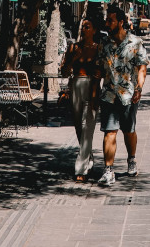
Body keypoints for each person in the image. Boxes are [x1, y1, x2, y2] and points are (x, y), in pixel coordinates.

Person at [97, 5, 149, 186]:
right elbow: (98, 69)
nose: (107, 23)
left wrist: (139, 88)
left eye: (110, 20)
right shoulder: (104, 44)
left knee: (129, 131)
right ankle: (108, 170)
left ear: (120, 22)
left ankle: (131, 159)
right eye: (107, 20)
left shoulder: (135, 42)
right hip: (109, 94)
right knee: (109, 131)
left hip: (129, 94)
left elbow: (142, 67)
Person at [61, 16, 102, 182]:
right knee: (79, 126)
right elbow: (64, 72)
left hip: (92, 87)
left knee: (88, 126)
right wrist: (73, 60)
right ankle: (89, 155)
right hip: (76, 86)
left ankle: (81, 168)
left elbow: (103, 70)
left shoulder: (99, 48)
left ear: (94, 30)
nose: (84, 29)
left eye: (87, 26)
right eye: (82, 27)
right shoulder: (73, 48)